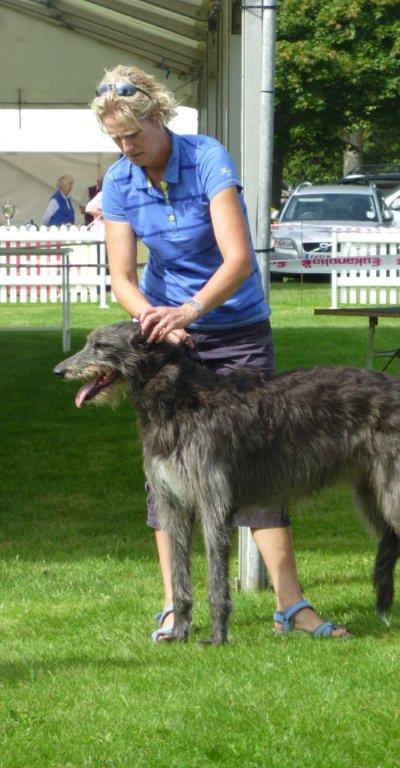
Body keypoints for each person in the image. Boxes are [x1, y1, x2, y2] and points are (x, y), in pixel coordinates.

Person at [91, 65, 349, 641]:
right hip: (164, 338)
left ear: (158, 118)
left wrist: (191, 311)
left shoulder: (208, 158)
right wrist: (152, 318)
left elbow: (238, 259)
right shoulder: (118, 182)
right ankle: (174, 608)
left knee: (259, 463)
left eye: (133, 136)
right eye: (116, 140)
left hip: (233, 327)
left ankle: (291, 607)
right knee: (165, 470)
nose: (126, 148)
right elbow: (123, 277)